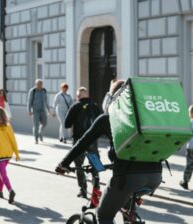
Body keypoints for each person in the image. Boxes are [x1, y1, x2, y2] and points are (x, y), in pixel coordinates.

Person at [56, 81, 162, 224]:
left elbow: (82, 143)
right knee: (126, 208)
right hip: (155, 176)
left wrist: (64, 163)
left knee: (104, 215)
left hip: (127, 177)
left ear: (113, 98)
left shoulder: (109, 118)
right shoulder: (146, 117)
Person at [64, 87, 102, 198]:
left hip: (79, 141)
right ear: (88, 95)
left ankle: (83, 189)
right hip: (93, 140)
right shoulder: (95, 106)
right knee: (95, 164)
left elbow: (67, 124)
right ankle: (96, 188)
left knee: (79, 166)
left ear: (78, 96)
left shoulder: (75, 106)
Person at [0, 106, 20, 204]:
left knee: (3, 174)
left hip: (0, 154)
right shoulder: (8, 126)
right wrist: (16, 153)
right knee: (2, 173)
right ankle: (0, 191)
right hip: (8, 153)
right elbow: (13, 140)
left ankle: (11, 190)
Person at [27, 79, 51, 144]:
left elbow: (46, 101)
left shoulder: (44, 91)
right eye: (38, 84)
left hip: (43, 110)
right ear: (36, 84)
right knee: (36, 125)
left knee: (45, 123)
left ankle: (40, 132)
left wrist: (48, 109)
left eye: (41, 84)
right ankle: (36, 139)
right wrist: (29, 110)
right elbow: (29, 101)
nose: (40, 85)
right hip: (35, 110)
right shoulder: (33, 91)